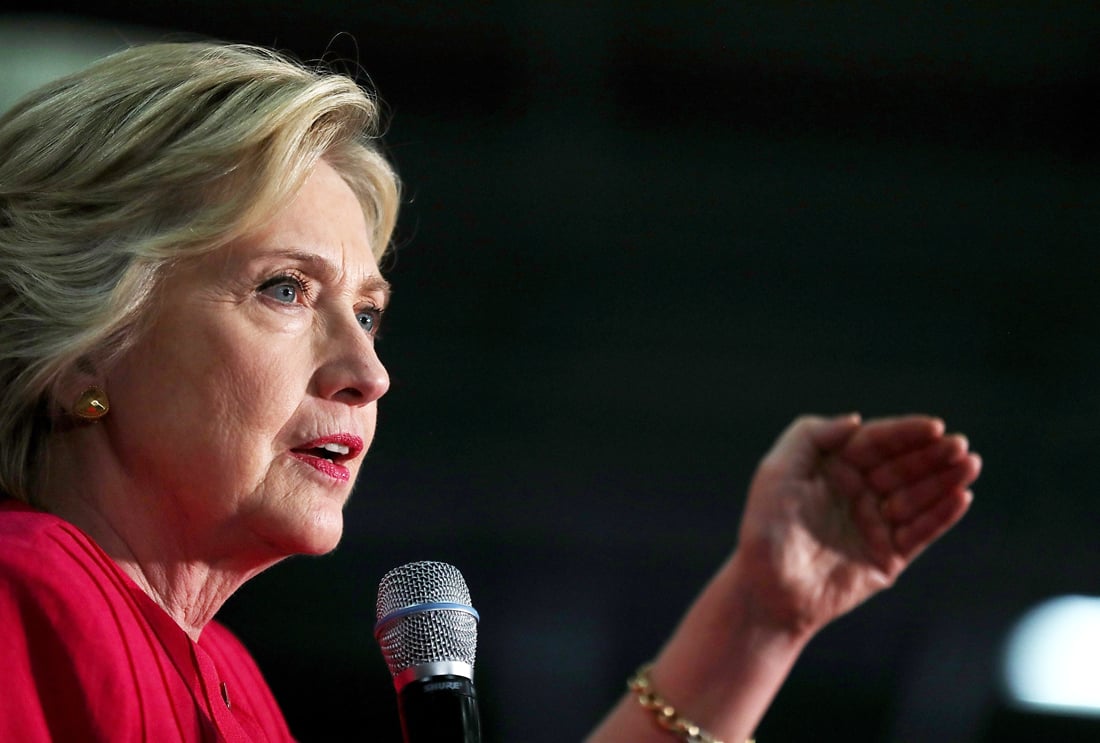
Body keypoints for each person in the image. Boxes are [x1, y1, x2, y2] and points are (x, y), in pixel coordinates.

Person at [0, 41, 981, 743]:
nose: (368, 371)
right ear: (90, 345)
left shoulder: (230, 683)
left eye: (369, 311)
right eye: (285, 288)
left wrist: (760, 615)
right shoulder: (26, 590)